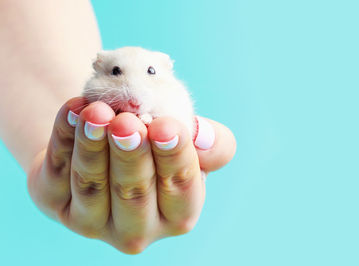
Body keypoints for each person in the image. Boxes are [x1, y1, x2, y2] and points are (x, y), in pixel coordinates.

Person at [0, 0, 236, 254]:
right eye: (116, 72)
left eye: (150, 72)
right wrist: (55, 148)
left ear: (165, 69)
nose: (134, 93)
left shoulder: (173, 94)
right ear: (100, 69)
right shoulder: (93, 96)